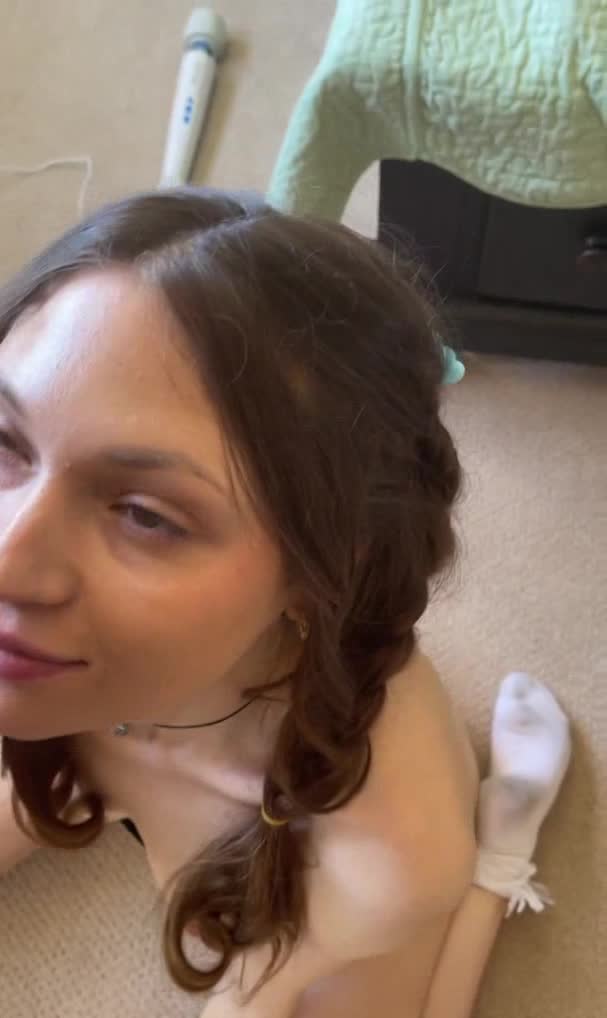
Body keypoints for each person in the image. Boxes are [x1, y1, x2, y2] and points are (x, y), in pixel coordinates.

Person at [0, 188, 571, 1017]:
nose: (9, 561)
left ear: (317, 570)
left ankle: (502, 850)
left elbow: (253, 989)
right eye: (6, 441)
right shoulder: (78, 644)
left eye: (146, 515)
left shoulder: (391, 855)